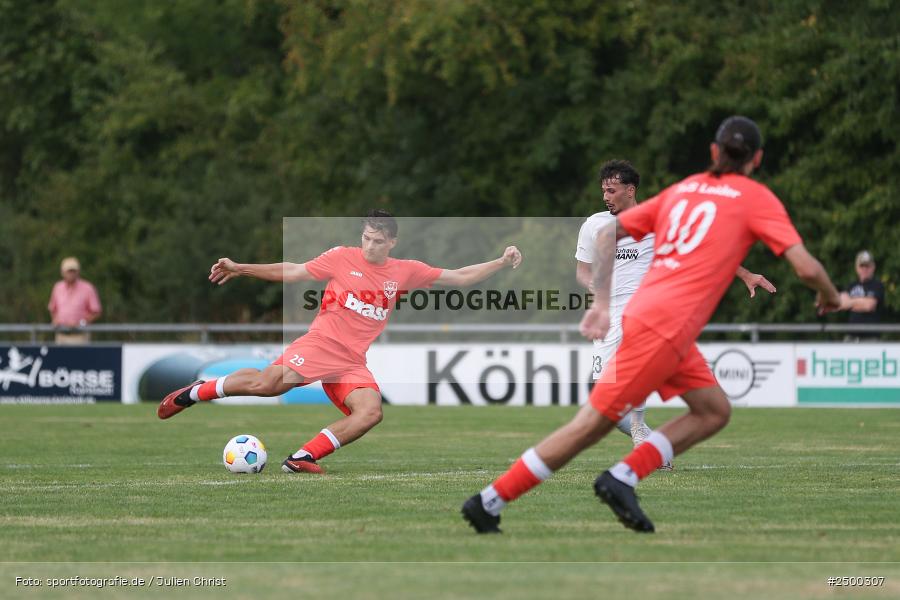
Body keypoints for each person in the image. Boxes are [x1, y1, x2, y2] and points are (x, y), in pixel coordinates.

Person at [462, 116, 841, 534]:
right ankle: (489, 501)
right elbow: (807, 268)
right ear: (758, 158)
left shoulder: (683, 191)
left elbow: (610, 238)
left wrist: (601, 303)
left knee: (714, 410)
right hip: (661, 325)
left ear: (714, 152)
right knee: (589, 426)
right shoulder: (756, 198)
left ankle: (622, 476)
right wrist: (832, 296)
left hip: (659, 323)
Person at [158, 210, 523, 474]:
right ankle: (195, 392)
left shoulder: (405, 271)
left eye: (378, 241)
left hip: (351, 361)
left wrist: (501, 262)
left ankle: (302, 458)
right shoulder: (341, 258)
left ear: (392, 243)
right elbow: (294, 270)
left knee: (371, 412)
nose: (370, 246)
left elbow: (459, 277)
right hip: (321, 345)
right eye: (366, 238)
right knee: (266, 385)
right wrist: (241, 268)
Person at [575, 159, 775, 456]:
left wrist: (745, 274)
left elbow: (705, 251)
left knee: (639, 374)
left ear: (630, 190)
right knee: (600, 399)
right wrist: (593, 285)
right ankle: (648, 437)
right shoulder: (594, 224)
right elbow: (582, 271)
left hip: (645, 312)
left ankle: (641, 430)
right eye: (603, 190)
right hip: (609, 315)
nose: (605, 196)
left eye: (611, 190)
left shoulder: (657, 221)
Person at [48, 257, 102, 345]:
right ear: (62, 272)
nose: (71, 274)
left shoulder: (87, 288)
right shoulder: (57, 287)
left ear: (78, 272)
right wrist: (55, 320)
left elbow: (96, 311)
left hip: (80, 336)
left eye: (73, 271)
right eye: (69, 271)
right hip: (61, 335)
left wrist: (81, 323)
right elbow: (52, 309)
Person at [839, 250, 884, 329]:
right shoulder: (851, 285)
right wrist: (861, 302)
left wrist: (850, 303)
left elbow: (869, 306)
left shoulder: (877, 285)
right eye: (862, 266)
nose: (864, 269)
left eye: (867, 266)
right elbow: (842, 304)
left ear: (873, 267)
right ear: (857, 268)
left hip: (871, 334)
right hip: (851, 334)